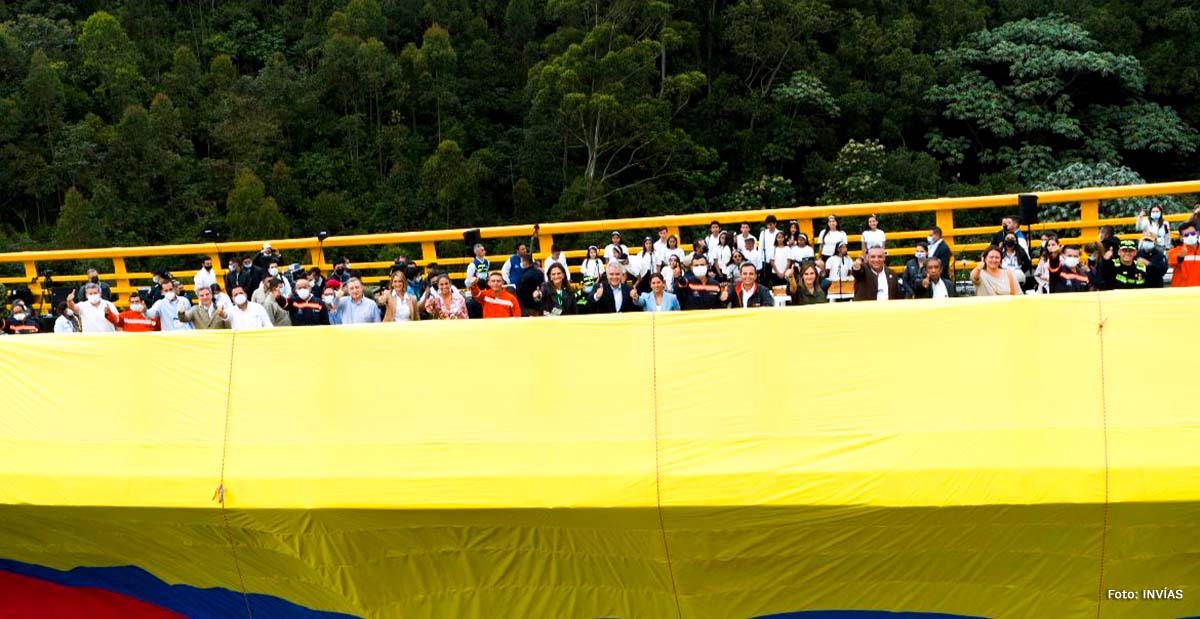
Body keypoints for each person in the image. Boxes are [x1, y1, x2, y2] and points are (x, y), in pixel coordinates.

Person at [1168, 220, 1200, 287]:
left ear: (1197, 233)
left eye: (1193, 233)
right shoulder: (1176, 251)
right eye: (1186, 235)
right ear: (1181, 237)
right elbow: (1171, 261)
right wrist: (1180, 258)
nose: (1190, 236)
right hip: (1181, 292)